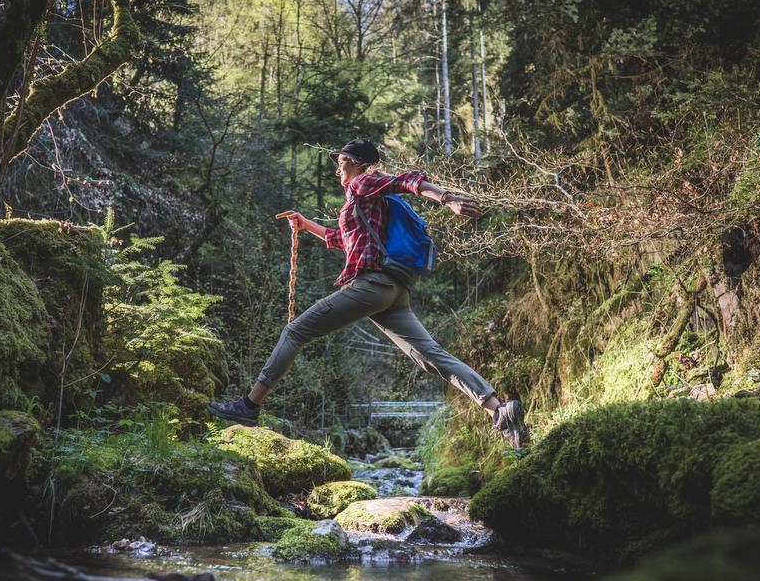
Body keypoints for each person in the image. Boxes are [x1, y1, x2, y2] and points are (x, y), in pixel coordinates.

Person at [208, 138, 530, 448]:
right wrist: (308, 226)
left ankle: (249, 406)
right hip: (393, 293)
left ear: (360, 164)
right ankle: (498, 409)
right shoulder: (359, 203)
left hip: (372, 287)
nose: (338, 168)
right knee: (431, 356)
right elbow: (343, 241)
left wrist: (447, 198)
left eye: (343, 161)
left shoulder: (362, 183)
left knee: (295, 332)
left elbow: (407, 180)